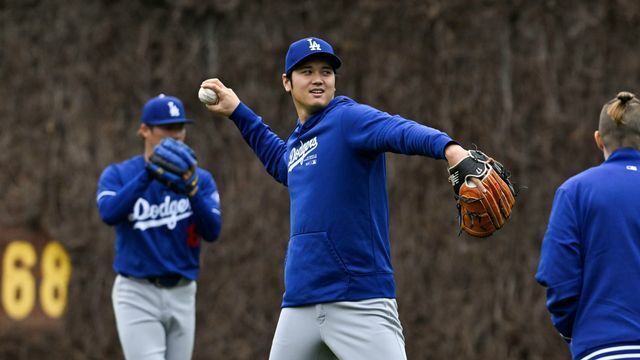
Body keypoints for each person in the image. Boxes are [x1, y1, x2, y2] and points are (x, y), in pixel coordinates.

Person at [201, 37, 470, 360]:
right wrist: (238, 111)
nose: (318, 79)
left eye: (326, 71)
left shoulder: (348, 119)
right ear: (286, 82)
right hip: (299, 304)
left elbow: (398, 130)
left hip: (359, 301)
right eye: (307, 71)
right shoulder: (299, 142)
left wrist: (449, 148)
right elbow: (282, 162)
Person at [96, 94, 222, 360]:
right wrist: (149, 173)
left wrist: (193, 191)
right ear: (145, 130)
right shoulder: (119, 174)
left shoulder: (201, 179)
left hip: (183, 291)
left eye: (180, 127)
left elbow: (212, 231)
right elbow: (109, 214)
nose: (176, 135)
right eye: (167, 128)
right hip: (137, 293)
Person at [535, 91, 640, 360]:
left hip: (604, 348)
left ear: (598, 139)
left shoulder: (575, 191)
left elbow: (559, 280)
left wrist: (578, 331)